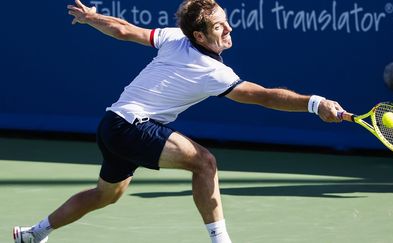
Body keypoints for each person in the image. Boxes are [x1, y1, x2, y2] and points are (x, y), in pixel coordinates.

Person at [13, 0, 345, 242]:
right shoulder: (214, 72)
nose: (229, 28)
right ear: (200, 37)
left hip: (111, 124)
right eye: (219, 27)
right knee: (205, 163)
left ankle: (34, 233)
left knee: (105, 195)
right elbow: (264, 95)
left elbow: (124, 30)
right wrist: (314, 104)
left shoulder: (175, 37)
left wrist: (91, 17)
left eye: (225, 21)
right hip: (132, 125)